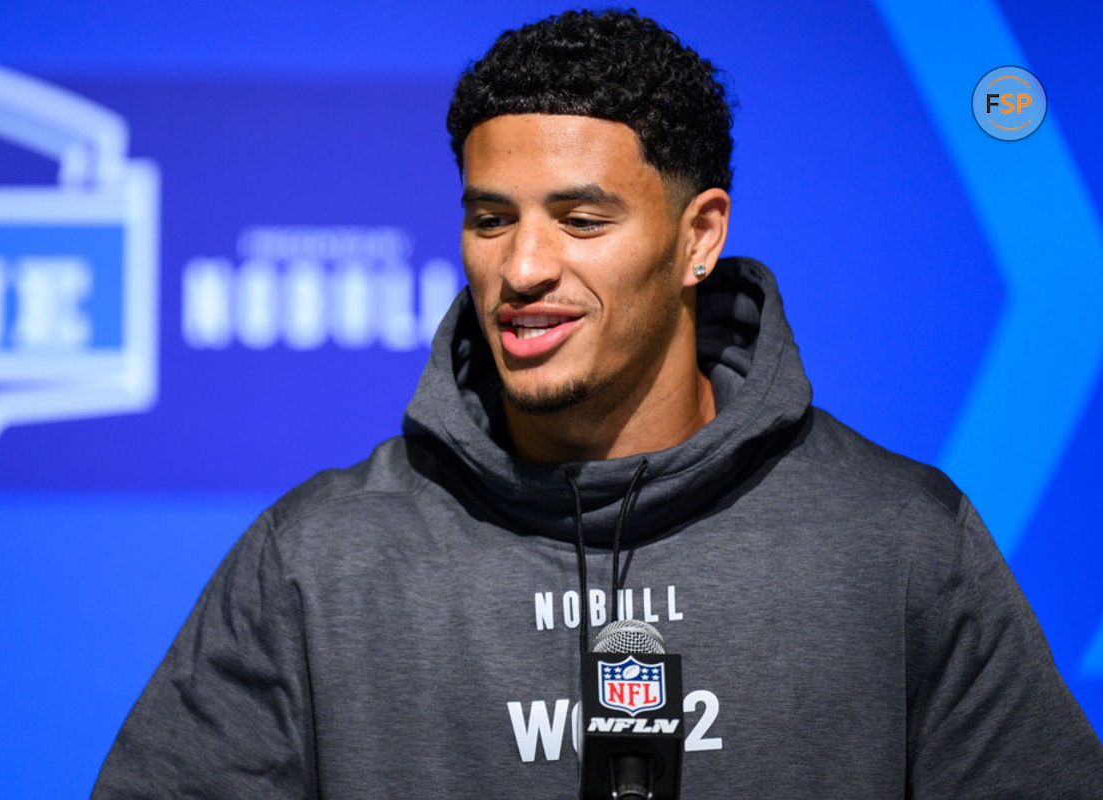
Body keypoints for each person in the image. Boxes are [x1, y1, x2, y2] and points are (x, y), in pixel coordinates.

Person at [93, 9, 1103, 798]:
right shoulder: (320, 559)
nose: (523, 267)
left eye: (581, 218)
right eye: (491, 219)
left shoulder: (902, 543)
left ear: (699, 237)